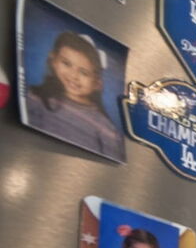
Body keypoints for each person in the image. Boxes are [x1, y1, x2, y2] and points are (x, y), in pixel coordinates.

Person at [25, 30, 124, 162]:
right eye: (66, 63)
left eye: (84, 73)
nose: (73, 76)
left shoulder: (105, 129)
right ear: (53, 60)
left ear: (97, 83)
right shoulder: (36, 98)